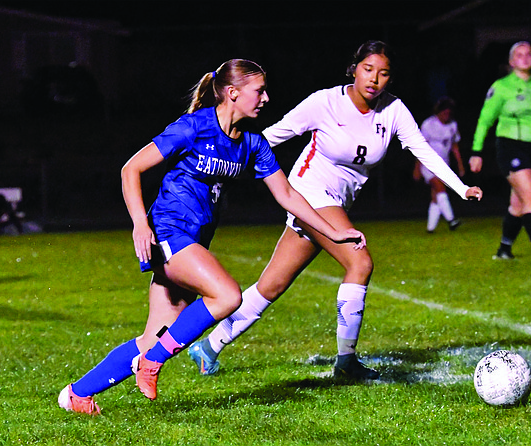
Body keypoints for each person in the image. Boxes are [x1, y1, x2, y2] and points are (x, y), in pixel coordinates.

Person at [57, 59, 366, 415]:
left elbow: (289, 196)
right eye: (259, 90)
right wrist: (140, 224)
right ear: (232, 93)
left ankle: (78, 394)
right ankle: (152, 363)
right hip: (169, 233)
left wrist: (335, 232)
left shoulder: (252, 144)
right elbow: (131, 168)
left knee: (152, 337)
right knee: (227, 295)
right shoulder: (193, 128)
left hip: (193, 242)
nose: (266, 98)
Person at [188, 41, 483, 380]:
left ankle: (207, 347)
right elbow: (271, 136)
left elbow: (424, 151)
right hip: (308, 192)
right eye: (368, 69)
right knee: (360, 261)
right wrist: (222, 159)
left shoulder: (394, 111)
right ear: (353, 69)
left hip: (335, 203)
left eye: (383, 73)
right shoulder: (324, 102)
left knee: (272, 285)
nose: (374, 79)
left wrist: (461, 188)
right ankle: (346, 363)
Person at [469, 41, 531, 260]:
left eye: (529, 54)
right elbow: (485, 120)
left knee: (518, 204)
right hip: (510, 146)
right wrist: (476, 151)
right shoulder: (502, 87)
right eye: (519, 55)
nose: (525, 57)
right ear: (511, 61)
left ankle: (504, 249)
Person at [412, 96, 465, 233]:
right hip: (428, 164)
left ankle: (430, 228)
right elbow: (421, 147)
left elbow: (454, 146)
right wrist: (417, 168)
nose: (447, 115)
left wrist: (460, 165)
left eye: (449, 113)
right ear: (438, 112)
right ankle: (451, 219)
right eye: (444, 112)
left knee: (436, 195)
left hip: (444, 164)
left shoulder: (453, 125)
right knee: (440, 188)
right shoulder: (428, 124)